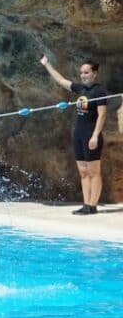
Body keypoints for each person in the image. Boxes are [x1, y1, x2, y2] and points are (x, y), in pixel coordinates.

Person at [40, 55, 108, 215]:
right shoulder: (81, 89)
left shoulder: (99, 91)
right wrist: (47, 64)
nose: (83, 75)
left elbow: (102, 115)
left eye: (86, 72)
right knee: (83, 172)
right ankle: (86, 204)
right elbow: (61, 81)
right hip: (78, 134)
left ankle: (93, 205)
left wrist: (95, 136)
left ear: (95, 73)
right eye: (81, 73)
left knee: (94, 171)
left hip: (91, 135)